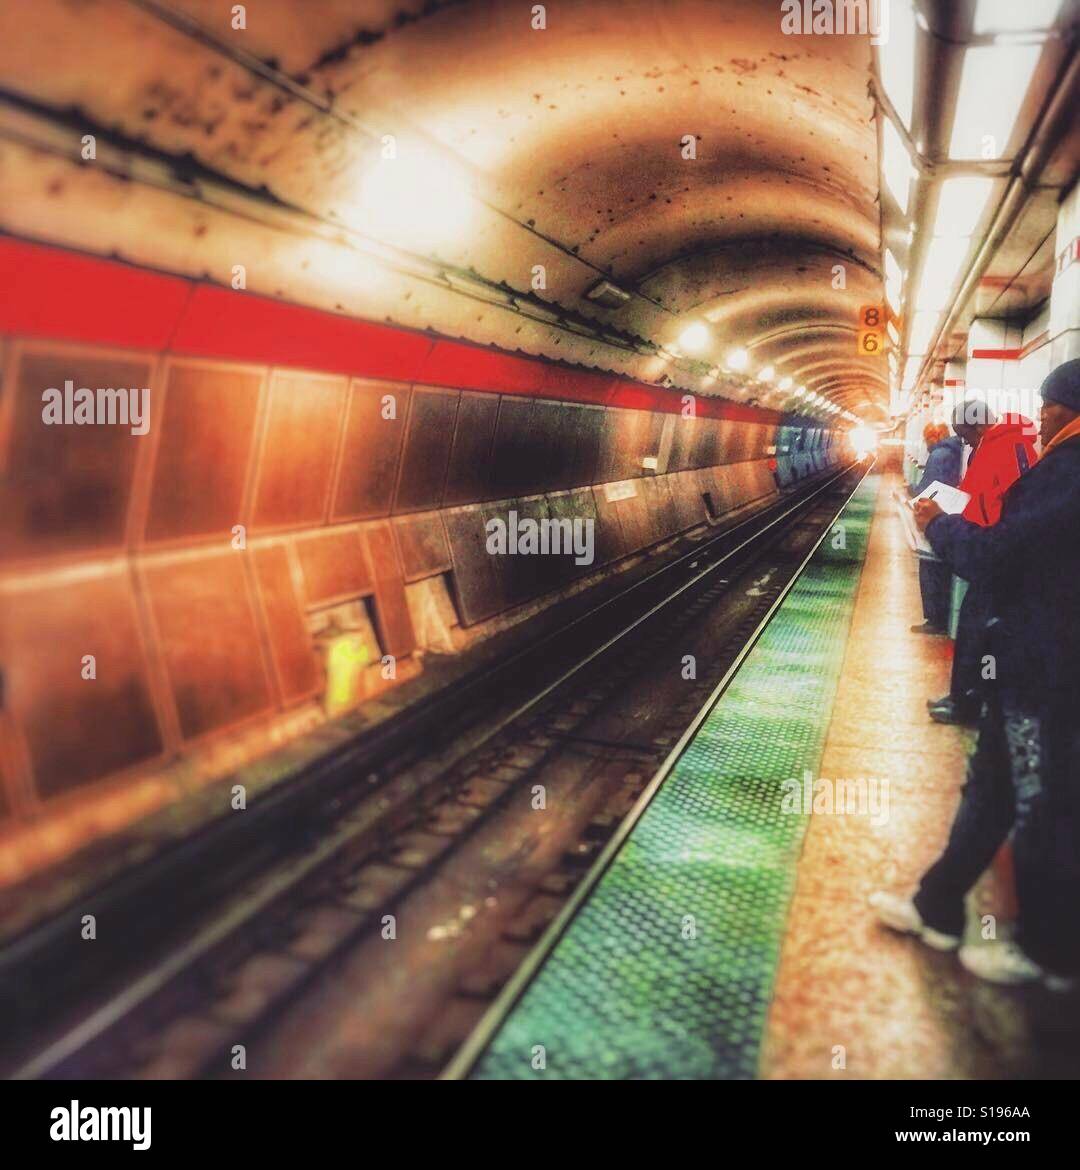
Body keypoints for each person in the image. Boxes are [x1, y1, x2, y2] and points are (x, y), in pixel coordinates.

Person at [871, 358, 1080, 986]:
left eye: (1049, 406)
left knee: (1040, 798)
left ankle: (1046, 951)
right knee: (993, 784)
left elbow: (1002, 557)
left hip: (1050, 668)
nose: (1039, 417)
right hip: (1028, 662)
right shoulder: (1056, 465)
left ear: (1069, 409)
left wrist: (943, 528)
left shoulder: (1069, 473)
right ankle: (935, 906)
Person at [927, 399, 1037, 726]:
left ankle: (972, 703)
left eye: (965, 435)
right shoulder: (988, 447)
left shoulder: (1013, 448)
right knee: (973, 628)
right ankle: (964, 697)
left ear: (977, 426)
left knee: (984, 633)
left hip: (1000, 556)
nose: (965, 442)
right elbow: (978, 495)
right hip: (982, 548)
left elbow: (1018, 505)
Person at [908, 421, 963, 636]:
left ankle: (935, 620)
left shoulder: (939, 455)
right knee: (943, 567)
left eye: (926, 438)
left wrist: (912, 490)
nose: (925, 443)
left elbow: (928, 489)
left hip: (935, 516)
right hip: (951, 515)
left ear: (932, 437)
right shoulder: (956, 451)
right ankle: (941, 617)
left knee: (930, 565)